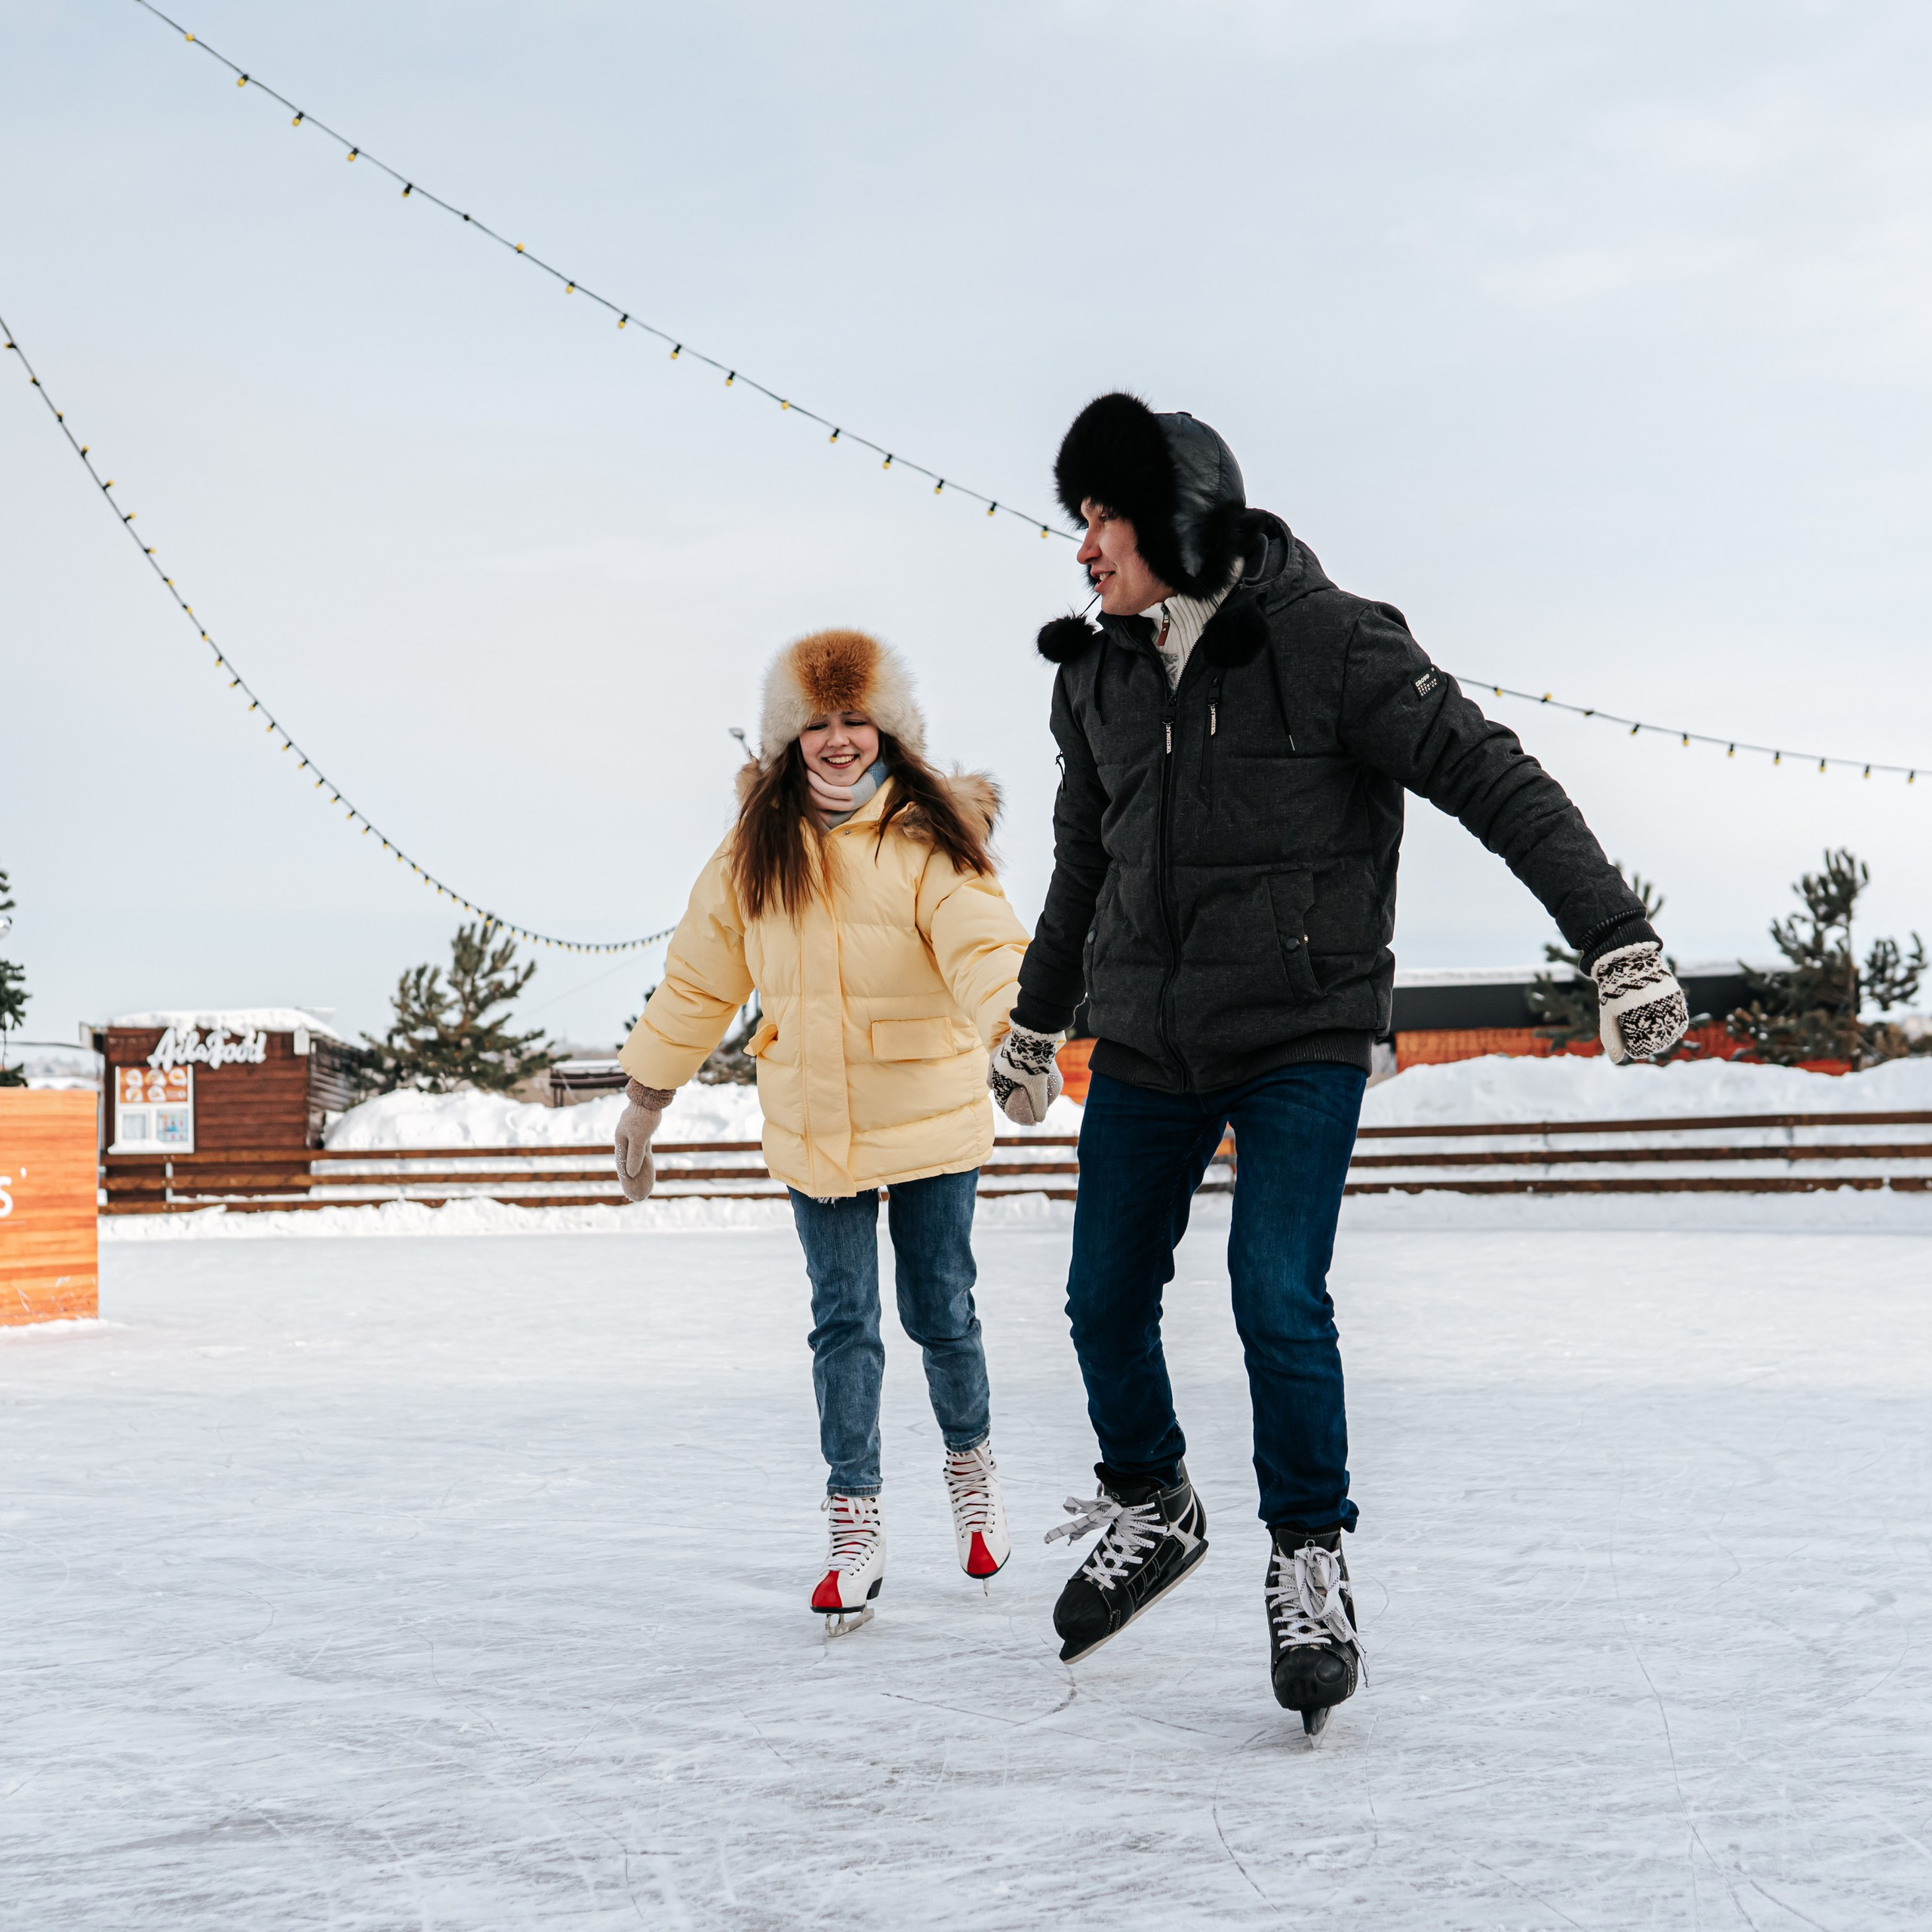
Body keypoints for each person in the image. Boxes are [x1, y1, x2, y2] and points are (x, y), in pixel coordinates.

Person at [988, 393, 1690, 1731]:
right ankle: (1154, 1502)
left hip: (1300, 1027)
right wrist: (1037, 1016)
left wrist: (1619, 942)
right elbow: (1085, 863)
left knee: (1275, 1291)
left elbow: (1497, 781)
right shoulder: (1098, 676)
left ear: (1178, 518)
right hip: (1146, 1034)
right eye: (1076, 520)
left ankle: (1307, 1555)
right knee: (1096, 1298)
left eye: (1101, 516)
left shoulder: (1337, 646)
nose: (1081, 548)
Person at [617, 629, 1033, 1635]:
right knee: (843, 1323)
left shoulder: (929, 835)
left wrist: (1016, 1038)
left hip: (928, 1113)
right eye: (818, 722)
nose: (838, 740)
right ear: (789, 735)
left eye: (855, 719)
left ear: (886, 726)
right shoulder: (754, 848)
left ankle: (971, 1468)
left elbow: (985, 945)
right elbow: (698, 978)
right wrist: (647, 1095)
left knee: (940, 1311)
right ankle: (856, 1521)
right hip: (814, 1121)